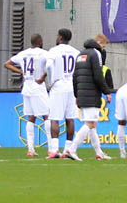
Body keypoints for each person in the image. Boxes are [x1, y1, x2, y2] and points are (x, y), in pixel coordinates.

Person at [5, 34, 50, 157]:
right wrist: (44, 76)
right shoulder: (43, 53)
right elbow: (51, 65)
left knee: (31, 117)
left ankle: (30, 149)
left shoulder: (23, 54)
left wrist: (20, 71)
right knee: (47, 115)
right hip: (38, 87)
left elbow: (7, 64)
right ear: (40, 42)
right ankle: (51, 148)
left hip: (27, 87)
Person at [71, 38, 113, 160]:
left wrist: (76, 95)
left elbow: (75, 77)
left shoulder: (80, 54)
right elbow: (98, 75)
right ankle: (72, 149)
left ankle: (99, 152)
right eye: (103, 47)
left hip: (82, 93)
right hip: (92, 94)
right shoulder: (95, 54)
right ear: (98, 44)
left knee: (92, 124)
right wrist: (107, 91)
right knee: (90, 123)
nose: (103, 49)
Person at [46, 29, 80, 159]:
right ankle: (67, 149)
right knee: (70, 118)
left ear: (60, 38)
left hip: (58, 85)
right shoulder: (76, 52)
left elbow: (49, 66)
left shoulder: (53, 51)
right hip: (71, 85)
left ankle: (54, 149)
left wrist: (50, 81)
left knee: (54, 118)